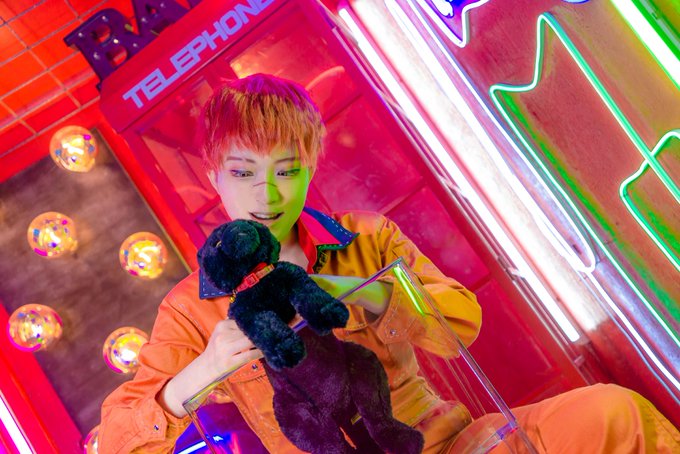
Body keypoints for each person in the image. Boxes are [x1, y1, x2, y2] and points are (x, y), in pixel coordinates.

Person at [98, 74, 679, 453]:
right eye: (244, 172)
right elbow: (116, 439)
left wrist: (366, 291)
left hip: (446, 442)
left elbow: (461, 327)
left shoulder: (368, 236)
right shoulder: (191, 307)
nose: (266, 194)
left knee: (612, 410)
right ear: (214, 176)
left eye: (287, 170)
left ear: (310, 166)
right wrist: (204, 369)